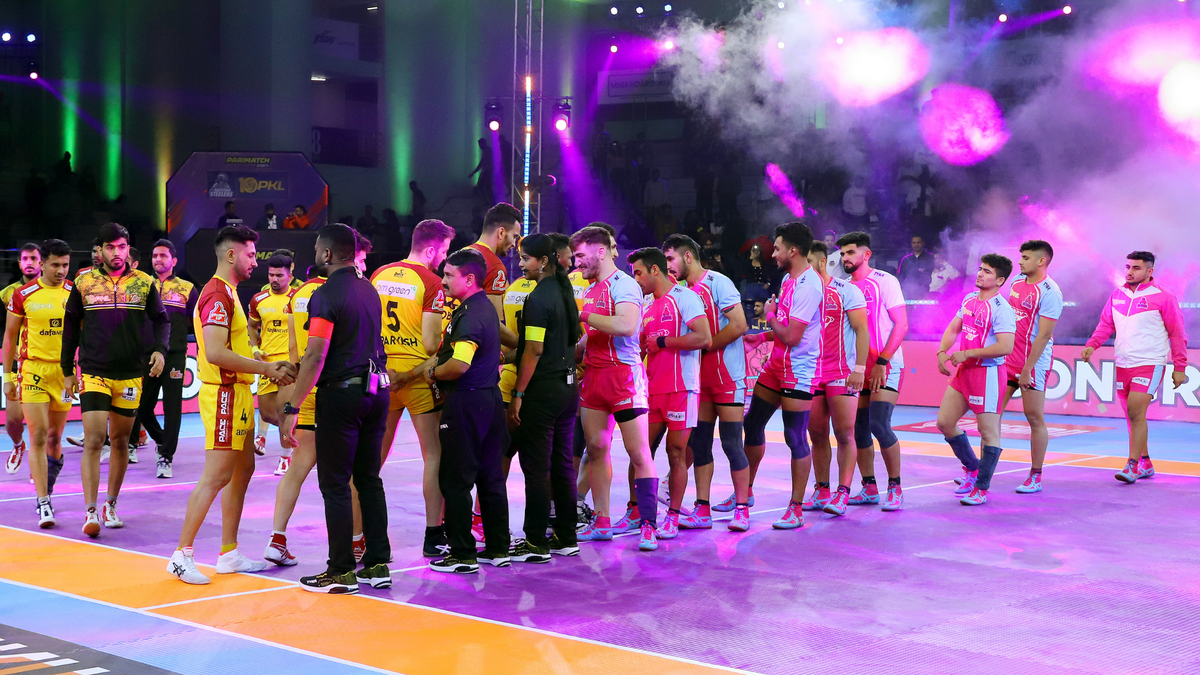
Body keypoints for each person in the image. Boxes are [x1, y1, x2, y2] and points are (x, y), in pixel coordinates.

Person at [167, 226, 294, 584]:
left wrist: (255, 355)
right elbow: (214, 352)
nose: (256, 261)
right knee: (217, 475)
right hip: (223, 394)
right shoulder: (217, 294)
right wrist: (265, 368)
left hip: (239, 393)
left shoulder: (232, 293)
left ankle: (229, 553)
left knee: (243, 470)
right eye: (251, 254)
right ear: (230, 255)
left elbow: (231, 344)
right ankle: (181, 555)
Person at [278, 224, 392, 593]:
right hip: (377, 392)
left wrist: (293, 406)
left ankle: (341, 570)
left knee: (335, 483)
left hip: (342, 395)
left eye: (317, 248)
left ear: (327, 254)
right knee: (369, 480)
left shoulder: (325, 294)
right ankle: (378, 564)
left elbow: (315, 354)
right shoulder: (368, 288)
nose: (315, 253)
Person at [62, 223, 170, 537]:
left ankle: (111, 504)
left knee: (121, 441)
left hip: (131, 374)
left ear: (127, 248)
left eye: (122, 246)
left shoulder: (144, 282)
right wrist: (67, 370)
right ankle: (90, 510)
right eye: (110, 247)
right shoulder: (84, 282)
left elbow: (161, 320)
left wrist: (160, 350)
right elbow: (70, 327)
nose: (117, 252)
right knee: (95, 439)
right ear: (100, 251)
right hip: (93, 371)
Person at [571, 225, 661, 551]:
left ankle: (648, 524)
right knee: (596, 449)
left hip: (623, 377)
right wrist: (574, 347)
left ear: (600, 251)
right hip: (594, 378)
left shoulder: (624, 284)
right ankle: (602, 521)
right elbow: (594, 332)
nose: (576, 263)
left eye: (580, 255)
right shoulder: (591, 288)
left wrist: (581, 315)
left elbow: (626, 324)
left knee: (639, 453)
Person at [420, 248, 510, 574]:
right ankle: (498, 548)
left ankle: (461, 554)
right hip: (490, 400)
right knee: (490, 478)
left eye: (448, 275)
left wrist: (434, 373)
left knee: (455, 480)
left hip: (466, 403)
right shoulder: (485, 307)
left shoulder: (469, 314)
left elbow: (459, 364)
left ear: (469, 279)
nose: (442, 281)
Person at [372, 219, 455, 558]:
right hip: (418, 377)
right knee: (434, 455)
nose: (444, 259)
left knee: (372, 459)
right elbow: (432, 343)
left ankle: (361, 535)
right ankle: (434, 534)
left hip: (383, 374)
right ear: (432, 249)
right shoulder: (432, 282)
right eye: (444, 251)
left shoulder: (379, 274)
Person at [662, 234, 751, 531]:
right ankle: (702, 509)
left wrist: (706, 345)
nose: (668, 266)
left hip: (728, 377)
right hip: (699, 380)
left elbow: (740, 324)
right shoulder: (679, 291)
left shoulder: (718, 282)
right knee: (700, 444)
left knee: (731, 443)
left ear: (688, 256)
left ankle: (742, 508)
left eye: (671, 259)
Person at [505, 234, 583, 562]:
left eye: (526, 258)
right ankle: (566, 536)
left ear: (544, 261)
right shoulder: (565, 293)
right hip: (568, 390)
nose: (521, 264)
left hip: (544, 392)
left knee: (536, 467)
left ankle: (535, 541)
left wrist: (519, 393)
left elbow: (534, 350)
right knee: (562, 464)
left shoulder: (538, 298)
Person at [742, 222, 823, 530]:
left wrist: (769, 316)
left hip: (798, 372)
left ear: (793, 250)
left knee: (794, 436)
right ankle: (745, 491)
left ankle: (796, 508)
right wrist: (762, 336)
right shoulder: (789, 279)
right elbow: (784, 329)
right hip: (776, 367)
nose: (772, 254)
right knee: (753, 423)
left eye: (776, 249)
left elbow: (791, 336)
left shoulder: (809, 285)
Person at [1082, 251, 1189, 484]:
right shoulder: (1117, 294)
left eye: (1136, 268)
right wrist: (1092, 345)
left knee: (1135, 412)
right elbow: (1105, 324)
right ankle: (1146, 463)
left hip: (1150, 363)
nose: (1129, 272)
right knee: (1133, 417)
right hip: (1123, 364)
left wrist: (1179, 366)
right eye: (1128, 267)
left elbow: (1177, 334)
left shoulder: (1164, 297)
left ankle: (1132, 466)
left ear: (1150, 271)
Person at [628, 247, 711, 539]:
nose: (636, 279)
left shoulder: (685, 297)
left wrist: (664, 342)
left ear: (655, 270)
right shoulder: (646, 305)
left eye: (638, 273)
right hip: (651, 391)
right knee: (639, 453)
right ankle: (636, 513)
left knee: (675, 452)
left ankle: (672, 517)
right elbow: (640, 347)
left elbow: (704, 337)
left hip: (682, 389)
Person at [262, 264, 331, 567]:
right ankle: (356, 542)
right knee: (348, 472)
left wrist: (297, 391)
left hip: (305, 386)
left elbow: (294, 348)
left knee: (298, 466)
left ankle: (277, 539)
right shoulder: (343, 289)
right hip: (335, 387)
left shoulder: (298, 294)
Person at [935, 254, 1016, 506]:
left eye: (987, 271)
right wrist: (941, 352)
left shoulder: (1002, 309)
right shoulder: (970, 299)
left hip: (987, 374)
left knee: (988, 432)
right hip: (965, 373)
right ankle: (972, 468)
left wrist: (968, 353)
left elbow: (1005, 346)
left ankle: (981, 488)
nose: (980, 273)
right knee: (945, 423)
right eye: (981, 269)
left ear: (1000, 280)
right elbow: (953, 328)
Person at [2, 240, 72, 527]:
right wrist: (8, 376)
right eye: (55, 265)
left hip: (64, 373)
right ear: (42, 264)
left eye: (65, 265)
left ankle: (48, 485)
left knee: (55, 438)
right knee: (39, 435)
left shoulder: (75, 293)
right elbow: (10, 337)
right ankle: (43, 502)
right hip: (33, 371)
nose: (61, 270)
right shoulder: (23, 294)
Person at [838, 231, 909, 511]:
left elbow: (901, 325)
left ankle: (895, 487)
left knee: (879, 425)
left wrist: (882, 361)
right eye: (842, 253)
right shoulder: (843, 287)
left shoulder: (885, 281)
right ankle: (869, 487)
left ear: (866, 254)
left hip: (885, 364)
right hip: (857, 368)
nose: (845, 258)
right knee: (858, 429)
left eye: (850, 252)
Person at [802, 241, 870, 516]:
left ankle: (843, 492)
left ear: (821, 262)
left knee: (844, 433)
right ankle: (822, 490)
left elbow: (862, 330)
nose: (803, 267)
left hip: (842, 373)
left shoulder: (846, 290)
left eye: (808, 261)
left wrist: (860, 369)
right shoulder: (800, 291)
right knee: (816, 434)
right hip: (811, 373)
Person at [998, 240, 1062, 494]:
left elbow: (1044, 336)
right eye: (1021, 257)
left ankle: (1035, 475)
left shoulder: (1050, 292)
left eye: (1025, 258)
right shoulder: (1015, 282)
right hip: (1007, 358)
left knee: (1034, 416)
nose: (1020, 262)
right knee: (991, 414)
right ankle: (981, 470)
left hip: (1033, 363)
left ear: (1041, 261)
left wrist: (1027, 369)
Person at [141, 240, 197, 479]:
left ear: (174, 260)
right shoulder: (143, 285)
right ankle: (163, 440)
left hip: (174, 356)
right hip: (147, 355)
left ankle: (166, 456)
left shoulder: (187, 288)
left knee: (172, 407)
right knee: (142, 407)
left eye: (163, 255)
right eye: (155, 255)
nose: (157, 259)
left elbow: (198, 322)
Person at [249, 254, 296, 472]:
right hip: (267, 365)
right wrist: (254, 348)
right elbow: (251, 327)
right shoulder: (258, 299)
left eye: (279, 275)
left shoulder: (298, 298)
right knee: (268, 414)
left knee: (284, 412)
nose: (274, 279)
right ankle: (301, 428)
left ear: (290, 276)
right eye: (271, 275)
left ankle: (285, 457)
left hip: (289, 365)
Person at [2, 242, 42, 474]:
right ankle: (18, 445)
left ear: (41, 262)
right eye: (25, 259)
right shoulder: (8, 293)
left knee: (42, 425)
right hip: (20, 365)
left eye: (33, 258)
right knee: (13, 421)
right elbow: (4, 330)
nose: (29, 263)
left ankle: (42, 468)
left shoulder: (53, 289)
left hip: (45, 364)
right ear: (19, 264)